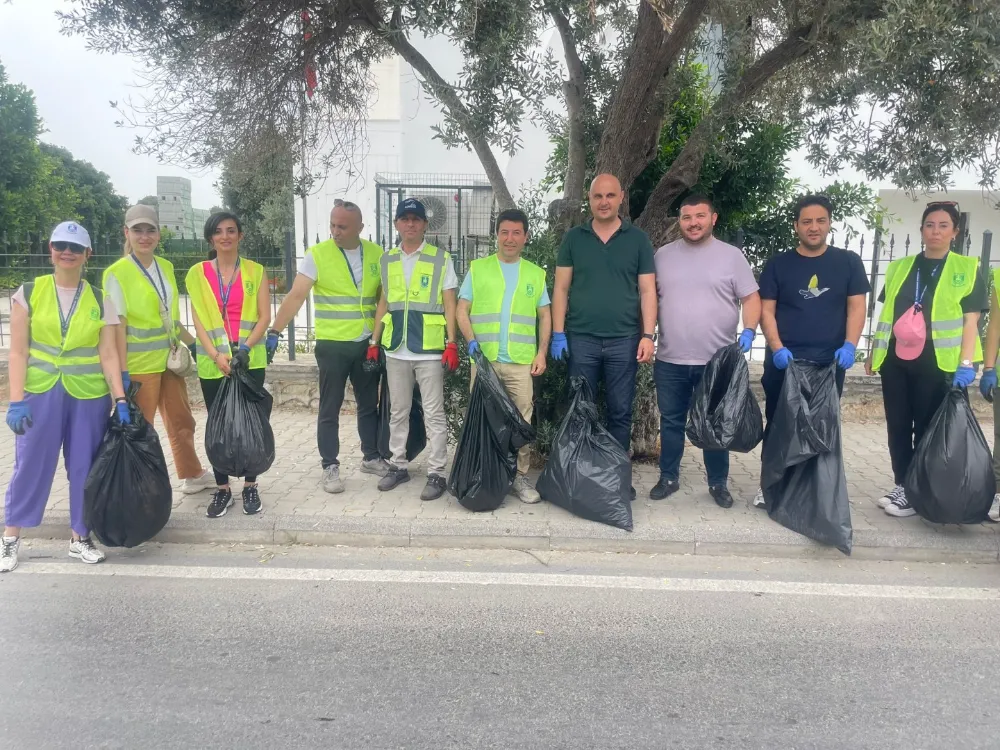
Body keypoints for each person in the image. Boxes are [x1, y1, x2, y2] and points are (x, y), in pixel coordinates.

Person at [2, 221, 129, 573]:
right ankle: (11, 536)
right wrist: (16, 400)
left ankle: (80, 537)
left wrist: (120, 399)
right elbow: (17, 352)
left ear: (88, 254)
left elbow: (108, 354)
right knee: (30, 464)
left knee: (85, 467)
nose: (67, 252)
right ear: (51, 250)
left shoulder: (100, 299)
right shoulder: (28, 292)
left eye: (75, 247)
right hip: (40, 392)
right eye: (60, 245)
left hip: (88, 395)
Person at [869, 202, 985, 517]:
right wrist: (873, 353)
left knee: (925, 424)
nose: (935, 231)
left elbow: (970, 320)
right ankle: (902, 485)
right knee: (896, 424)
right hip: (896, 358)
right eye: (929, 225)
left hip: (937, 361)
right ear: (921, 229)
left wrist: (965, 364)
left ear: (955, 232)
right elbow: (886, 313)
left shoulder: (966, 268)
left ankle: (919, 488)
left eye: (943, 225)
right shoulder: (900, 267)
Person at [754, 194, 870, 507]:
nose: (813, 227)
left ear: (829, 224)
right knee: (780, 423)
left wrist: (850, 345)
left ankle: (813, 488)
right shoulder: (779, 264)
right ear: (796, 226)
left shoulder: (848, 262)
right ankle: (772, 485)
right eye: (807, 221)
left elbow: (857, 307)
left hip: (829, 363)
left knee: (821, 427)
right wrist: (777, 348)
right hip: (785, 362)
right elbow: (767, 310)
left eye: (820, 221)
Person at [268, 200, 389, 493]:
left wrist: (376, 338)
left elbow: (384, 299)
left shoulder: (377, 254)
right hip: (332, 345)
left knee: (368, 405)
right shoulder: (317, 255)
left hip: (365, 343)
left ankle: (371, 457)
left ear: (360, 227)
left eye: (342, 226)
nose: (335, 231)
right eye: (333, 225)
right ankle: (330, 465)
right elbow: (296, 296)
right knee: (330, 407)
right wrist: (275, 330)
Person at [650, 195, 761, 508]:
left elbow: (752, 298)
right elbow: (648, 298)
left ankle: (717, 484)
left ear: (713, 218)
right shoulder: (662, 256)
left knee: (715, 424)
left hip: (716, 362)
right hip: (670, 359)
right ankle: (668, 477)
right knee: (670, 423)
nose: (693, 222)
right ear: (679, 221)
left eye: (700, 216)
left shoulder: (732, 257)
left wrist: (750, 331)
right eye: (686, 217)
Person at [103, 203, 214, 494]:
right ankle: (138, 485)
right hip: (139, 366)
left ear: (158, 234)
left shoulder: (164, 266)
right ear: (126, 232)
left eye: (150, 230)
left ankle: (192, 474)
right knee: (142, 430)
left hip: (170, 361)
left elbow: (170, 318)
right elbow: (117, 328)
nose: (144, 236)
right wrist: (122, 374)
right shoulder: (117, 273)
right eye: (137, 230)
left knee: (181, 420)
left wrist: (196, 345)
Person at [552, 173, 656, 458]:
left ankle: (616, 477)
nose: (604, 202)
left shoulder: (638, 240)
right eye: (598, 196)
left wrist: (648, 335)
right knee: (580, 409)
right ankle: (579, 476)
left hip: (624, 340)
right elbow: (561, 288)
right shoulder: (574, 238)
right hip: (581, 339)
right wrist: (558, 333)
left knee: (620, 412)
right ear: (590, 199)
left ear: (621, 197)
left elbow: (648, 291)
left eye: (610, 195)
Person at [456, 208, 552, 504]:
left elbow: (545, 316)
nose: (510, 239)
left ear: (525, 237)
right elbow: (462, 309)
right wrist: (471, 342)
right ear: (496, 235)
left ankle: (519, 477)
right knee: (483, 419)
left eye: (516, 233)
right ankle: (484, 473)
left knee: (521, 420)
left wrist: (542, 353)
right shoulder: (478, 268)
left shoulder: (535, 274)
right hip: (485, 362)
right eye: (504, 232)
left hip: (521, 362)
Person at [371, 198, 460, 501]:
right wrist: (374, 340)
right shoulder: (387, 259)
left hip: (430, 349)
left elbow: (450, 302)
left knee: (434, 413)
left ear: (425, 225)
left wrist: (452, 342)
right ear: (397, 223)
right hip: (396, 348)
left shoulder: (440, 259)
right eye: (405, 218)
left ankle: (436, 473)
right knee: (398, 412)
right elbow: (384, 301)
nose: (410, 224)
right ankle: (398, 466)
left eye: (416, 219)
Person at [185, 212, 272, 518]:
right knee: (219, 427)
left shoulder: (255, 271)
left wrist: (245, 349)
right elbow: (197, 320)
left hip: (249, 361)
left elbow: (264, 316)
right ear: (211, 238)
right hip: (215, 364)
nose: (225, 236)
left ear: (240, 235)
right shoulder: (196, 273)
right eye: (219, 232)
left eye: (231, 231)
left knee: (253, 423)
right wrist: (214, 355)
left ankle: (250, 485)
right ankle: (223, 490)